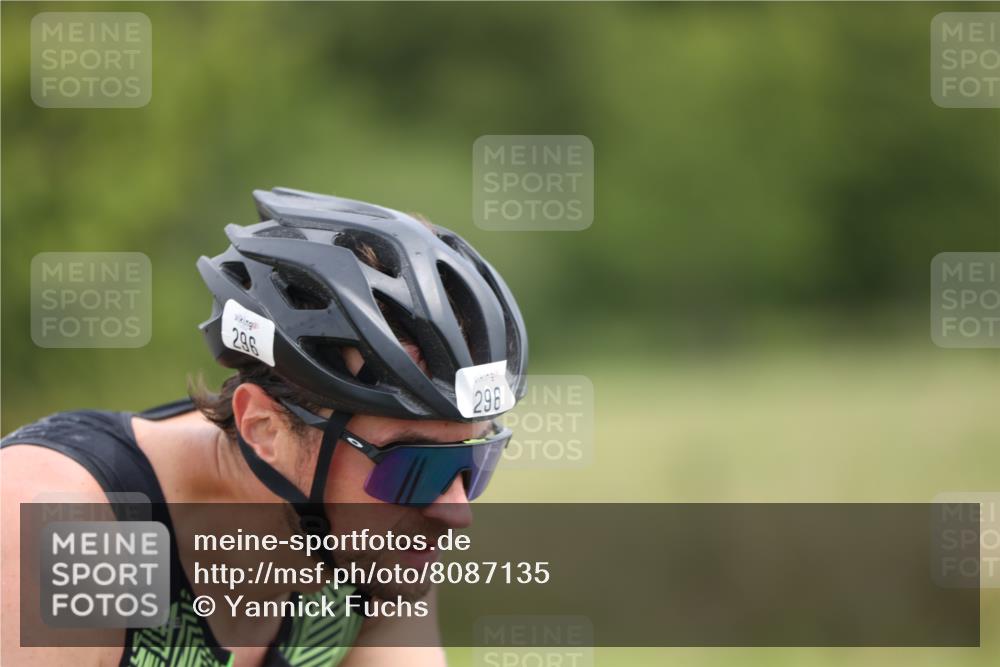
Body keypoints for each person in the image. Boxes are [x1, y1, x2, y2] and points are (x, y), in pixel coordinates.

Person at [1, 187, 528, 667]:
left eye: (473, 461)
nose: (454, 509)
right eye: (415, 468)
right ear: (263, 427)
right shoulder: (70, 525)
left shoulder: (374, 550)